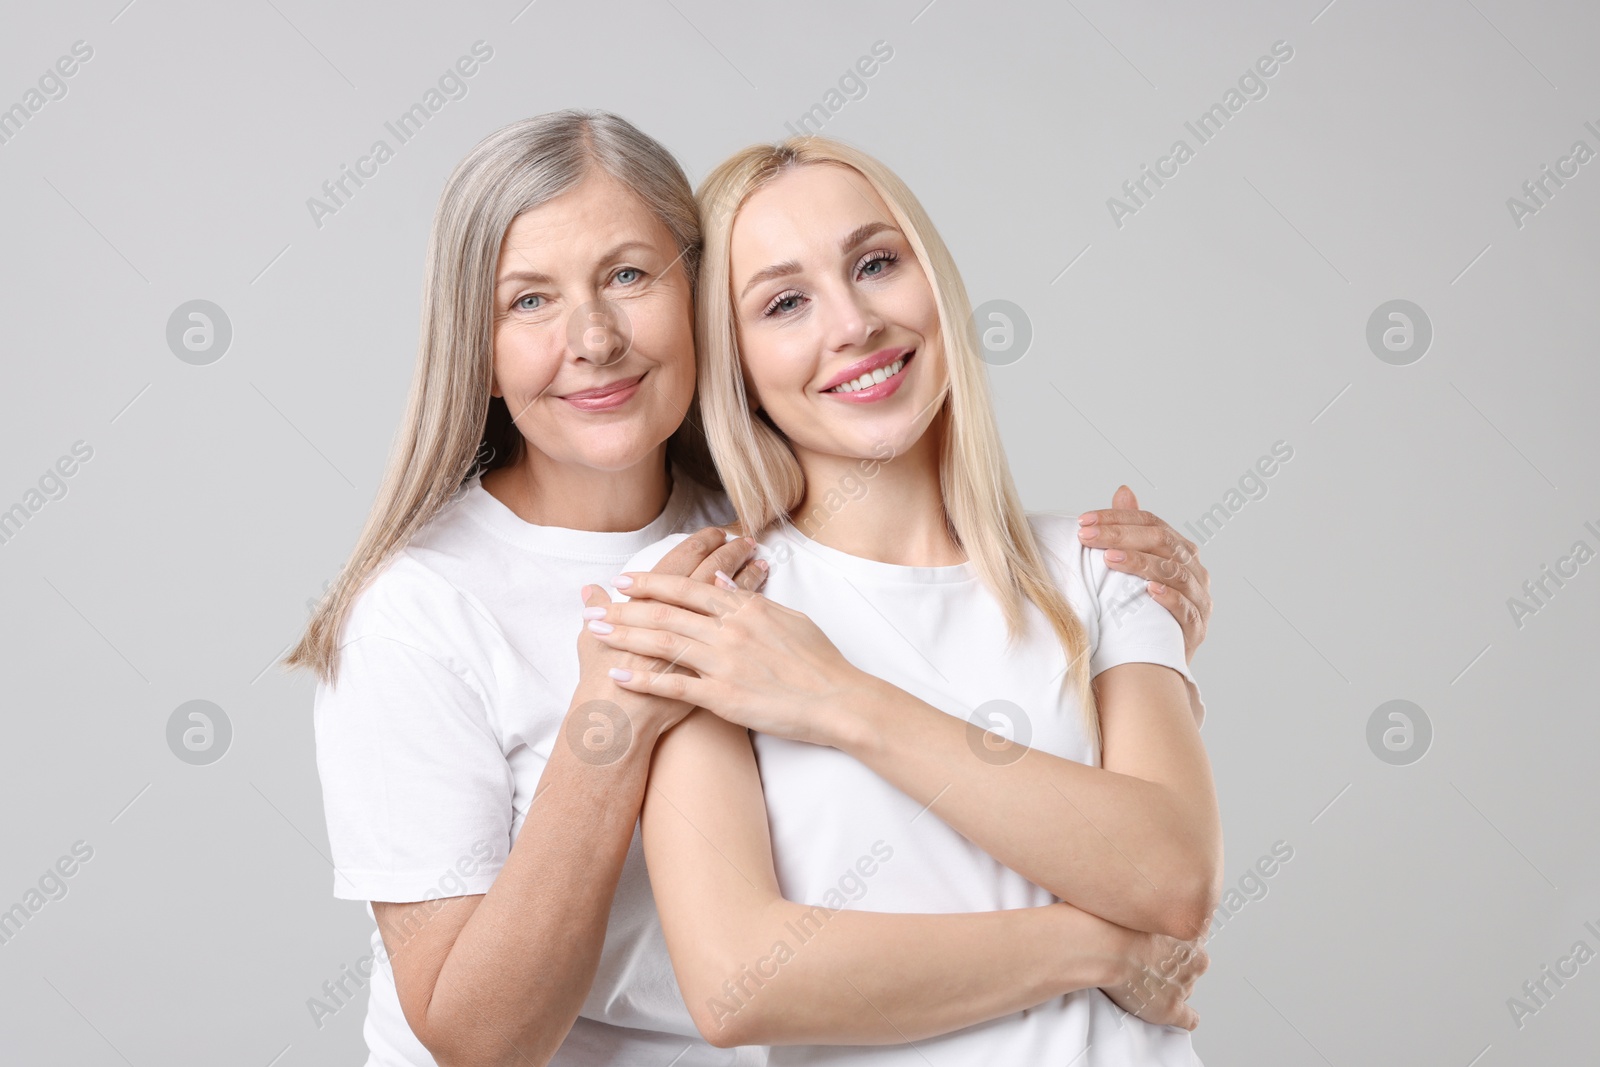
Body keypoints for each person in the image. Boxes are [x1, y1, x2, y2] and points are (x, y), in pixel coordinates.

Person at [284, 110, 1213, 1067]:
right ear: (474, 348)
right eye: (528, 301)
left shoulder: (755, 543)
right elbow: (484, 1037)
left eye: (629, 275)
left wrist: (1125, 627)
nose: (594, 337)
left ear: (695, 306)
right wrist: (608, 725)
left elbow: (944, 614)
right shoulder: (425, 611)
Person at [585, 135, 1222, 1064]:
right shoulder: (713, 607)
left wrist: (840, 700)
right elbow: (738, 979)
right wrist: (1098, 945)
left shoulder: (1099, 564)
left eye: (876, 263)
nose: (852, 323)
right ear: (737, 364)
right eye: (785, 302)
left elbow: (1172, 876)